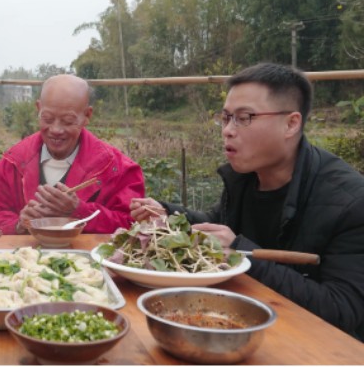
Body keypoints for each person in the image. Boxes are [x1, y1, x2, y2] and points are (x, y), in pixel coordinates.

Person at [131, 63, 364, 340]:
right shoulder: (245, 177)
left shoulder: (350, 202)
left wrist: (243, 253)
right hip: (244, 327)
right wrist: (169, 214)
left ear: (291, 124)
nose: (228, 130)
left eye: (245, 118)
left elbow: (343, 310)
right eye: (226, 117)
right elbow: (220, 226)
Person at [0, 74, 145, 234]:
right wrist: (17, 225)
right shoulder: (13, 161)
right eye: (48, 119)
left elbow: (132, 225)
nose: (56, 130)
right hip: (25, 259)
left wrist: (80, 211)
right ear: (38, 109)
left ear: (87, 115)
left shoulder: (117, 168)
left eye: (67, 121)